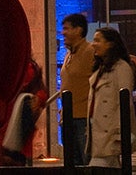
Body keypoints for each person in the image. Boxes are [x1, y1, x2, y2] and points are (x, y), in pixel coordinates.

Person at [84, 28, 136, 170]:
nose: (93, 44)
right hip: (98, 132)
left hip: (110, 135)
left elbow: (125, 104)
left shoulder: (122, 68)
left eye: (97, 40)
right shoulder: (100, 69)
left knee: (100, 167)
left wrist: (120, 135)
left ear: (110, 44)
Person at [58, 13, 95, 170]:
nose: (63, 32)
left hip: (83, 118)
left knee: (86, 162)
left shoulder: (90, 51)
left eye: (66, 28)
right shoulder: (68, 54)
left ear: (78, 30)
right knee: (72, 164)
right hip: (68, 117)